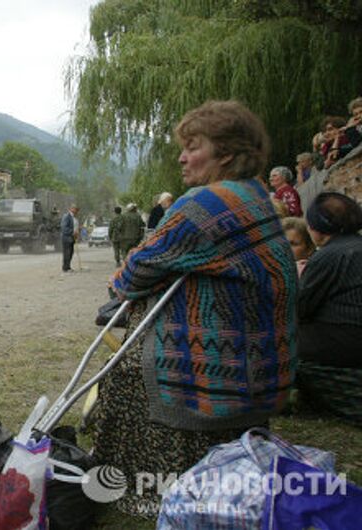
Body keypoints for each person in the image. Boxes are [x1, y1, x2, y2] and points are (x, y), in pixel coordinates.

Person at [92, 100, 297, 516]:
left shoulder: (205, 202)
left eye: (193, 146)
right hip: (263, 367)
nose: (182, 157)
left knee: (127, 367)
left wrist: (120, 281)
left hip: (219, 370)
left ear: (226, 152)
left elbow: (133, 274)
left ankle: (141, 485)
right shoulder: (256, 194)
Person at [296, 192, 362, 426]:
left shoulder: (329, 256)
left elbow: (300, 309)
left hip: (347, 340)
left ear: (317, 228)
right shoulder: (356, 246)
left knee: (281, 343)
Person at [60, 204, 79, 272]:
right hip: (66, 238)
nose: (77, 211)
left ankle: (68, 267)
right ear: (71, 209)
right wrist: (72, 232)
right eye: (76, 209)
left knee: (71, 252)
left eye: (77, 210)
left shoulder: (74, 217)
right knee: (67, 253)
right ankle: (65, 268)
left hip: (72, 238)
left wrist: (76, 233)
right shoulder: (66, 216)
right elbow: (64, 228)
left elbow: (74, 226)